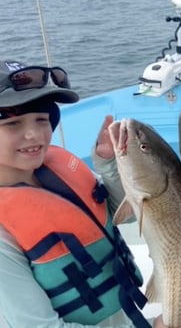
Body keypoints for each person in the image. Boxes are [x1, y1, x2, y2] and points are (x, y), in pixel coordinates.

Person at [0, 60, 151, 327]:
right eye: (13, 124)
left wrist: (107, 163)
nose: (34, 134)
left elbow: (121, 217)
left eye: (42, 119)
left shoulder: (56, 170)